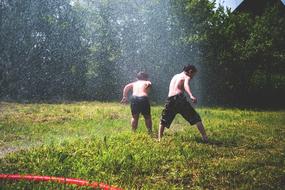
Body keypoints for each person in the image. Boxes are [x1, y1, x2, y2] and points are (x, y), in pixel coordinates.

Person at [158, 65, 208, 142]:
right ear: (190, 71)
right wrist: (191, 95)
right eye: (193, 74)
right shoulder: (186, 77)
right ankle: (205, 138)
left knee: (163, 120)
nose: (193, 77)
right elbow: (186, 85)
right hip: (179, 99)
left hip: (170, 99)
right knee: (196, 118)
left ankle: (159, 139)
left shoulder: (175, 76)